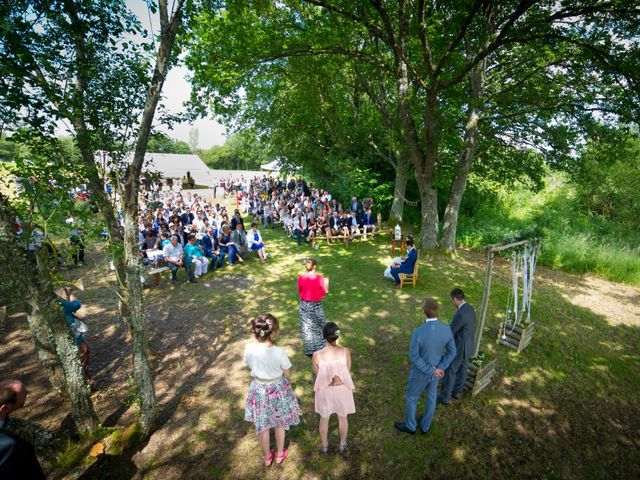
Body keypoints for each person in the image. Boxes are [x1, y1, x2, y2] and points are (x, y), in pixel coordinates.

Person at [244, 314, 301, 467]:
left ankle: (268, 455)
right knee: (279, 422)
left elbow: (248, 365)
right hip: (277, 390)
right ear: (273, 332)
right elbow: (287, 373)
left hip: (258, 389)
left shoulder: (249, 349)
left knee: (263, 425)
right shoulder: (279, 352)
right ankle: (280, 453)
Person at [394, 298, 456, 435]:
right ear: (437, 311)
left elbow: (414, 357)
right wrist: (440, 368)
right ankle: (425, 426)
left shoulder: (418, 332)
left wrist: (433, 370)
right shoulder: (446, 329)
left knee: (411, 397)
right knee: (431, 397)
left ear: (424, 312)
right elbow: (453, 352)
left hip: (420, 373)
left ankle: (411, 426)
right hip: (436, 373)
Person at [312, 323, 355, 454]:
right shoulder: (345, 351)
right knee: (343, 418)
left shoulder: (316, 355)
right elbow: (347, 370)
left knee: (324, 418)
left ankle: (325, 445)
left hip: (325, 391)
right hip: (342, 389)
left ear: (323, 336)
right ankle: (342, 444)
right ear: (337, 336)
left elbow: (317, 373)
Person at [0, 380, 46, 480]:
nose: (28, 394)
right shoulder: (10, 445)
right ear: (4, 408)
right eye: (21, 404)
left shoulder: (18, 427)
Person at [438, 288, 476, 404]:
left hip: (459, 347)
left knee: (451, 371)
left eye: (452, 300)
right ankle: (456, 391)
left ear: (455, 299)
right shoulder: (470, 308)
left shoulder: (460, 314)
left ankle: (445, 397)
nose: (452, 302)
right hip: (469, 345)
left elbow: (451, 331)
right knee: (463, 370)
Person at [297, 258, 329, 357]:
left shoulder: (301, 278)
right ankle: (321, 347)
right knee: (319, 324)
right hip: (316, 305)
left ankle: (310, 350)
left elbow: (300, 291)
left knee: (307, 326)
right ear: (314, 266)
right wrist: (326, 285)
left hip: (305, 304)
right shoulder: (319, 278)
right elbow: (323, 292)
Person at [60, 287, 91, 382]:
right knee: (83, 351)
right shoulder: (60, 304)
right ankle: (85, 379)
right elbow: (76, 305)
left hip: (62, 338)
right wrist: (70, 296)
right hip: (72, 337)